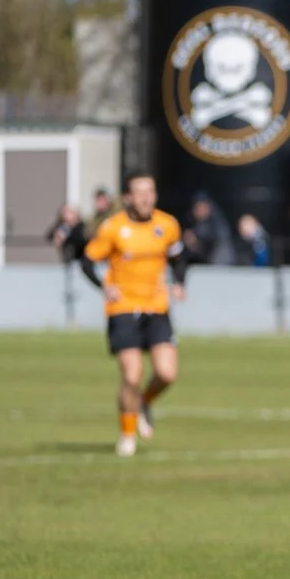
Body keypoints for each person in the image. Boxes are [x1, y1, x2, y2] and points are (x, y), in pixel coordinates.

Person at [80, 172, 187, 457]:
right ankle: (127, 436)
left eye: (150, 191)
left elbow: (178, 257)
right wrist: (104, 285)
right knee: (132, 374)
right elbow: (88, 261)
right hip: (123, 309)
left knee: (167, 373)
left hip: (157, 308)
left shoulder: (167, 224)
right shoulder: (113, 228)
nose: (146, 197)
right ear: (127, 198)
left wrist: (179, 282)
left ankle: (143, 401)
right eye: (139, 192)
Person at [184, 192, 238, 266]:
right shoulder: (194, 222)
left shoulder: (216, 219)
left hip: (223, 264)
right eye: (197, 208)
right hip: (209, 264)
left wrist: (195, 235)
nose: (200, 211)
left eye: (202, 207)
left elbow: (217, 235)